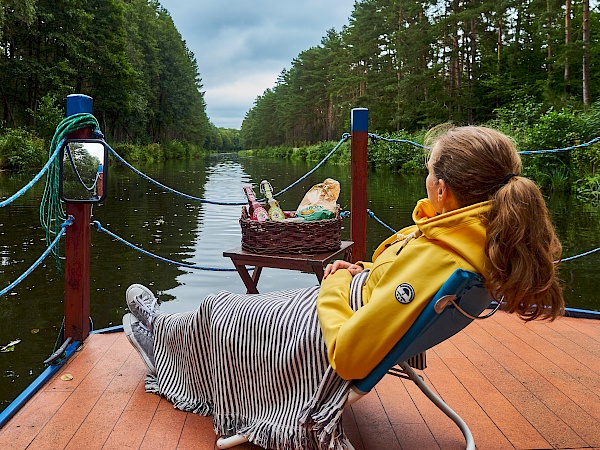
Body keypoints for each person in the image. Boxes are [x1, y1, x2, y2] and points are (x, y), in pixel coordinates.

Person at [123, 126, 564, 450]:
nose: (425, 178)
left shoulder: (441, 257)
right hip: (354, 305)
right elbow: (402, 281)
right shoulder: (480, 236)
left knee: (218, 313)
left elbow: (351, 355)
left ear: (443, 189)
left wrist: (333, 284)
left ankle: (159, 335)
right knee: (225, 312)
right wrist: (366, 271)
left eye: (429, 171)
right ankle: (161, 329)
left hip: (327, 333)